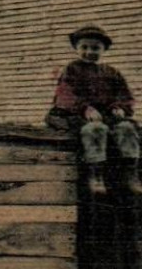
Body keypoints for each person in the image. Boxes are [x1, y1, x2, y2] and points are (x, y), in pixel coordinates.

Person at [46, 25, 142, 197]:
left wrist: (119, 107)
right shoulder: (72, 69)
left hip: (106, 115)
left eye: (95, 48)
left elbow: (124, 95)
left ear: (103, 49)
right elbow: (65, 94)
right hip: (77, 114)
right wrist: (85, 108)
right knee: (95, 130)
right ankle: (95, 175)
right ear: (77, 48)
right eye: (84, 47)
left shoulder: (112, 72)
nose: (90, 51)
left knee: (127, 128)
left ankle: (131, 174)